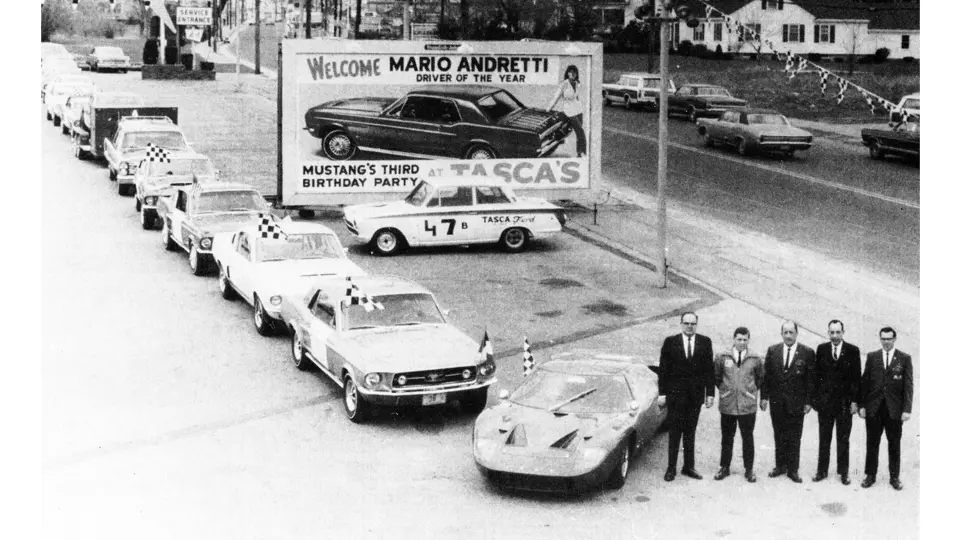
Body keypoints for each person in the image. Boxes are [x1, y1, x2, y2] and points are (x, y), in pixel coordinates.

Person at [658, 312, 714, 481]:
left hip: (694, 397)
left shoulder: (705, 342)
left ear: (697, 324)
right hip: (675, 397)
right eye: (686, 323)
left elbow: (709, 370)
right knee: (674, 433)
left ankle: (688, 467)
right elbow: (663, 370)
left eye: (693, 323)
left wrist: (710, 393)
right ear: (681, 324)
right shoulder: (670, 342)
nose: (690, 326)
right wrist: (662, 393)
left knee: (690, 432)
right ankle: (671, 468)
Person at [859, 327, 913, 491]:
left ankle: (894, 477)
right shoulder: (872, 357)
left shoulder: (904, 358)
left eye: (889, 338)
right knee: (872, 443)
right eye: (883, 338)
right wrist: (862, 405)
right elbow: (865, 383)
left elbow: (908, 386)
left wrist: (907, 409)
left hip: (894, 410)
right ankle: (870, 475)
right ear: (880, 339)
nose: (886, 342)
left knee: (894, 444)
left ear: (895, 339)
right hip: (874, 408)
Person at [760, 321, 814, 483]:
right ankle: (780, 466)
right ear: (781, 333)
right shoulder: (773, 350)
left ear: (797, 334)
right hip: (777, 402)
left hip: (796, 403)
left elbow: (811, 380)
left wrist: (809, 401)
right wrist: (764, 397)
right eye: (786, 332)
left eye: (791, 332)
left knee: (794, 436)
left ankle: (793, 469)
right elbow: (766, 376)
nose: (788, 336)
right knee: (779, 434)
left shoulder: (807, 352)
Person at [811, 320, 861, 485]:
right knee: (824, 438)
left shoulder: (853, 351)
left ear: (843, 332)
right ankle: (822, 470)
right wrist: (816, 401)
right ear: (828, 333)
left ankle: (843, 472)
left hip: (844, 404)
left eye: (838, 332)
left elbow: (856, 379)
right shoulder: (822, 349)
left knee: (843, 439)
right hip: (825, 404)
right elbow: (816, 377)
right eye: (832, 332)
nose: (834, 336)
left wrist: (855, 401)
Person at [713, 327, 764, 483]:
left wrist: (750, 392)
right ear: (733, 339)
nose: (742, 342)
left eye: (745, 339)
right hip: (728, 404)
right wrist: (726, 391)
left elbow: (760, 378)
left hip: (747, 405)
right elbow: (716, 377)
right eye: (739, 339)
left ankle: (749, 469)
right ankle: (724, 467)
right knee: (727, 437)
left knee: (747, 437)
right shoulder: (722, 357)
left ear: (748, 340)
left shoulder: (755, 358)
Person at [546, 65, 587, 157]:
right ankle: (582, 152)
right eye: (570, 72)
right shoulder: (563, 84)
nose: (572, 74)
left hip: (578, 110)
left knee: (579, 132)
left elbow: (576, 97)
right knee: (580, 131)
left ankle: (580, 153)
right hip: (569, 112)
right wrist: (548, 109)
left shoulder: (577, 83)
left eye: (574, 72)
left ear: (576, 74)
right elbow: (555, 98)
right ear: (567, 73)